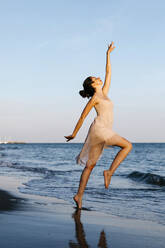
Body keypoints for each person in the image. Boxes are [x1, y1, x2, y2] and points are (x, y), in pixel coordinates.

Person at [65, 42, 132, 209]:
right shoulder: (95, 98)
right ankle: (109, 172)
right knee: (128, 145)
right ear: (92, 85)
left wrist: (108, 54)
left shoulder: (105, 93)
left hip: (101, 131)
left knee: (89, 166)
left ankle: (79, 196)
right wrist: (74, 133)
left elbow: (108, 72)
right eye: (95, 79)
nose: (98, 78)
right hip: (100, 130)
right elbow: (82, 116)